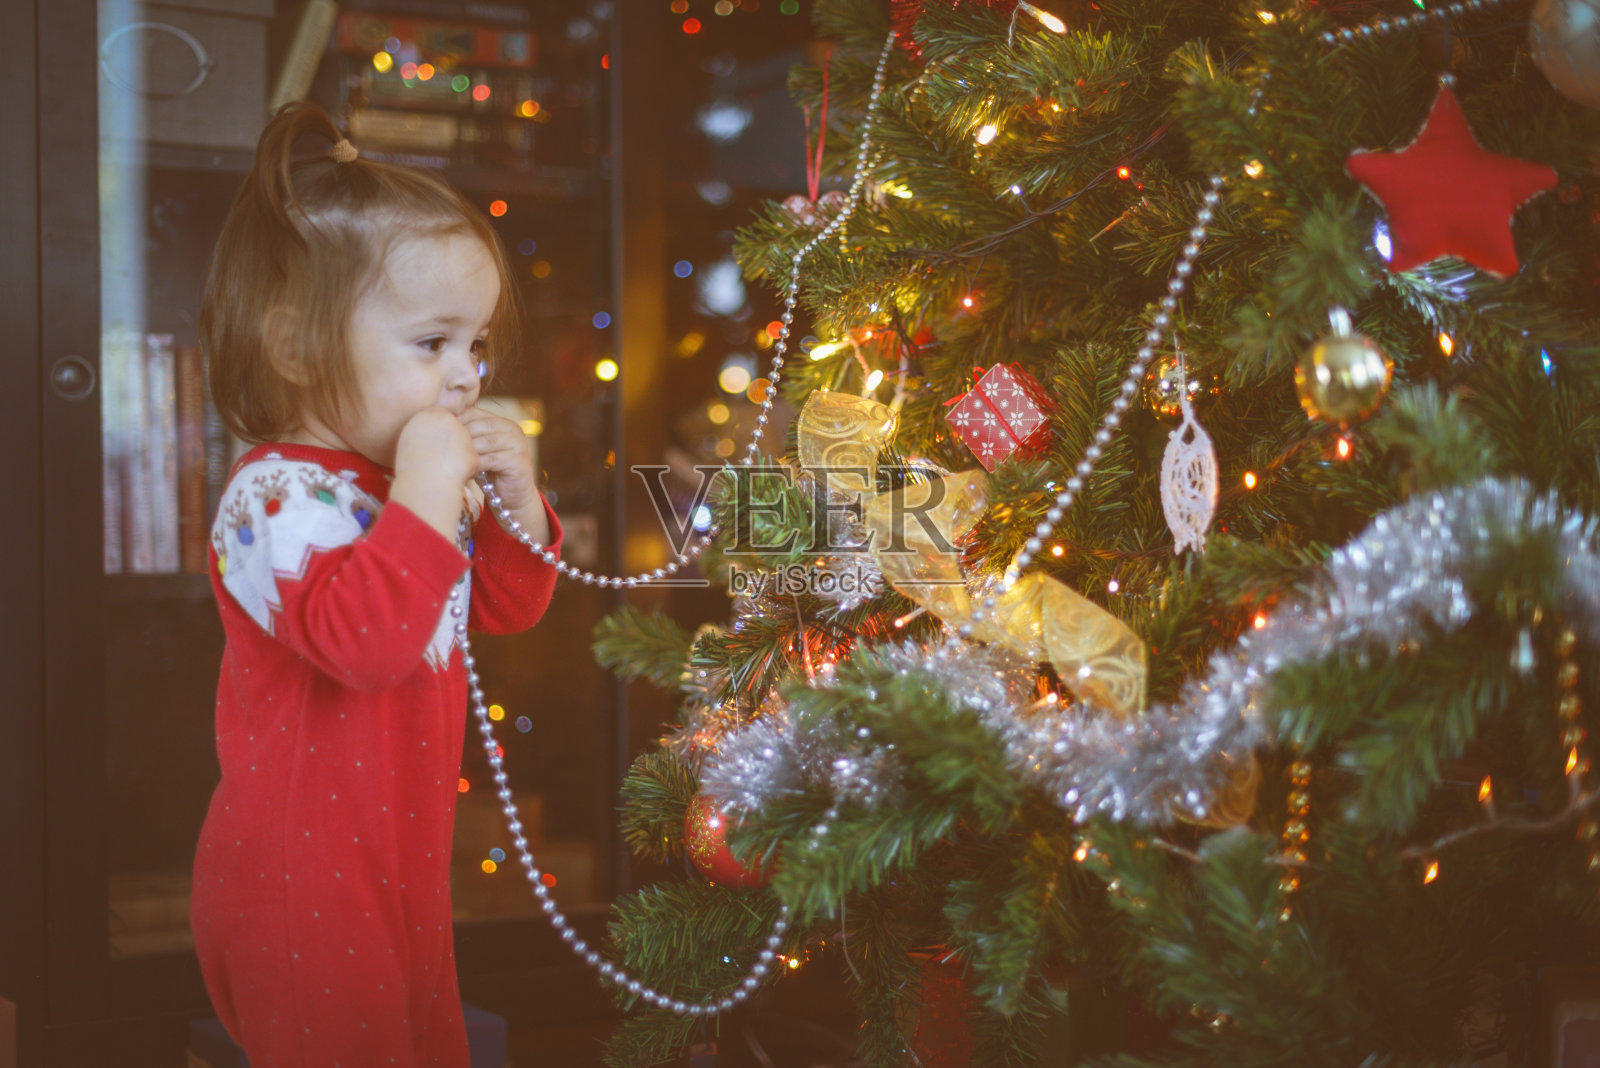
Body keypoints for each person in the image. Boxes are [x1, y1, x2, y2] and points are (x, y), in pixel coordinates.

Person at [189, 101, 561, 1067]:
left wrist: (517, 498)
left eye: (477, 344)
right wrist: (431, 487)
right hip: (302, 878)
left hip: (402, 862)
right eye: (432, 344)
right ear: (297, 350)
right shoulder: (275, 495)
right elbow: (367, 644)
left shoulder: (401, 487)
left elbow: (508, 607)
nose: (467, 376)